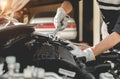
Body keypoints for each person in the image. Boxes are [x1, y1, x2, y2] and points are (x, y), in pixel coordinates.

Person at [54, 0, 120, 62]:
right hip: (109, 34)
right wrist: (62, 11)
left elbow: (118, 33)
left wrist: (90, 53)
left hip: (116, 36)